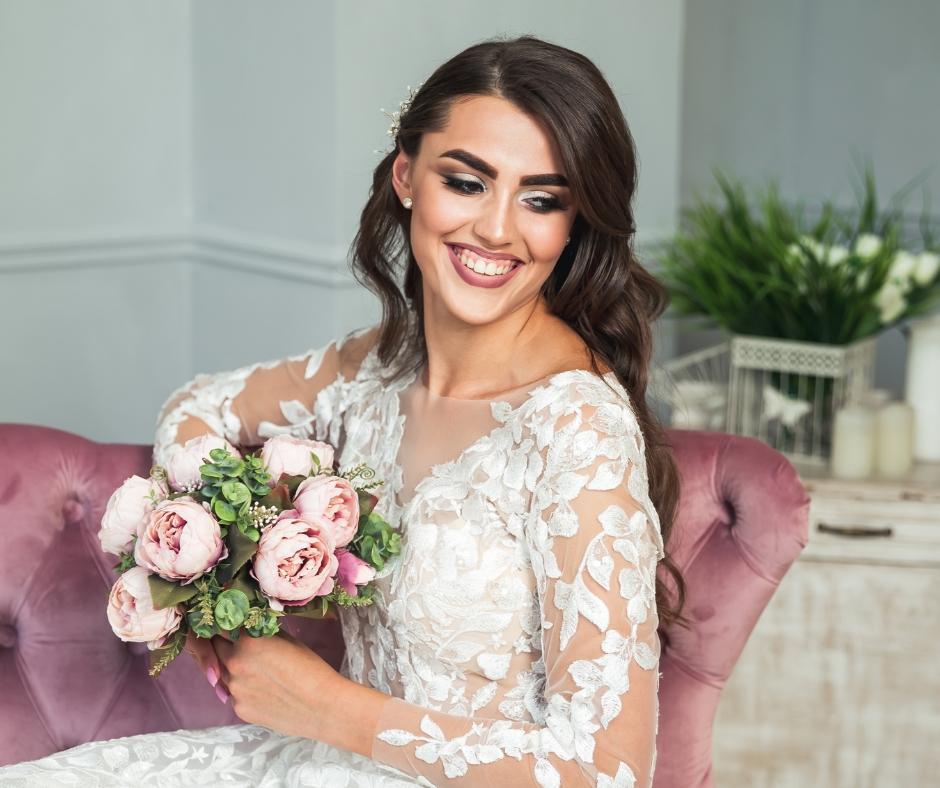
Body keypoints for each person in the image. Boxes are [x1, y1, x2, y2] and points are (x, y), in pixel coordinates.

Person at [0, 34, 685, 787]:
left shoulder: (578, 430)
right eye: (467, 182)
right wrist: (222, 568)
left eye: (542, 199)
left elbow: (609, 770)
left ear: (574, 222)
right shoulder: (375, 369)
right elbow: (195, 409)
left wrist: (327, 707)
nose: (497, 229)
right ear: (406, 177)